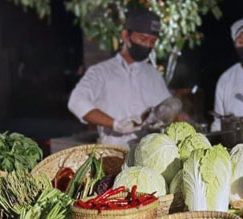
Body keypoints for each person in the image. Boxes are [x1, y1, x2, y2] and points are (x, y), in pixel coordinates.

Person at [68, 8, 172, 147]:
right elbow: (76, 101)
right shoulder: (101, 72)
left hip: (147, 153)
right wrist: (115, 124)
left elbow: (167, 106)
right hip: (113, 151)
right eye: (143, 39)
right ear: (125, 35)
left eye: (152, 41)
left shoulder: (153, 74)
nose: (147, 45)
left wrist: (168, 113)